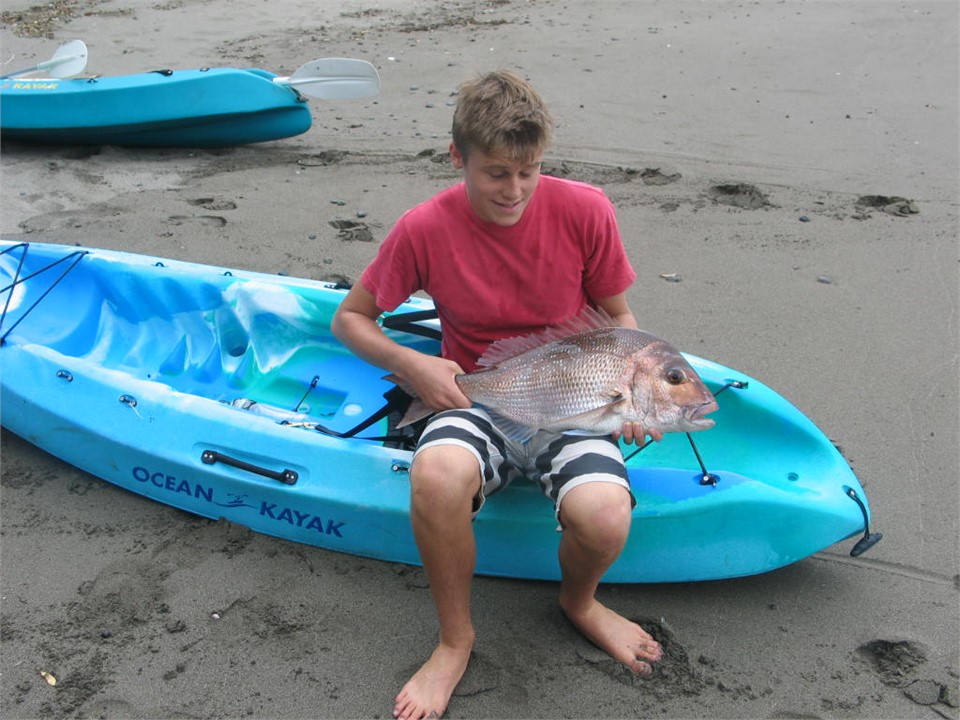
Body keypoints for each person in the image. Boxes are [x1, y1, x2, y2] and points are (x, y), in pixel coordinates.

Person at [331, 69, 663, 720]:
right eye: (495, 173)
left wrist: (634, 386)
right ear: (459, 158)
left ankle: (580, 602)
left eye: (529, 172)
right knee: (436, 475)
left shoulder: (586, 209)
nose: (514, 190)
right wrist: (414, 366)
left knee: (603, 518)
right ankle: (455, 640)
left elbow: (621, 320)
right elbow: (349, 318)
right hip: (478, 395)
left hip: (570, 395)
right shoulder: (424, 227)